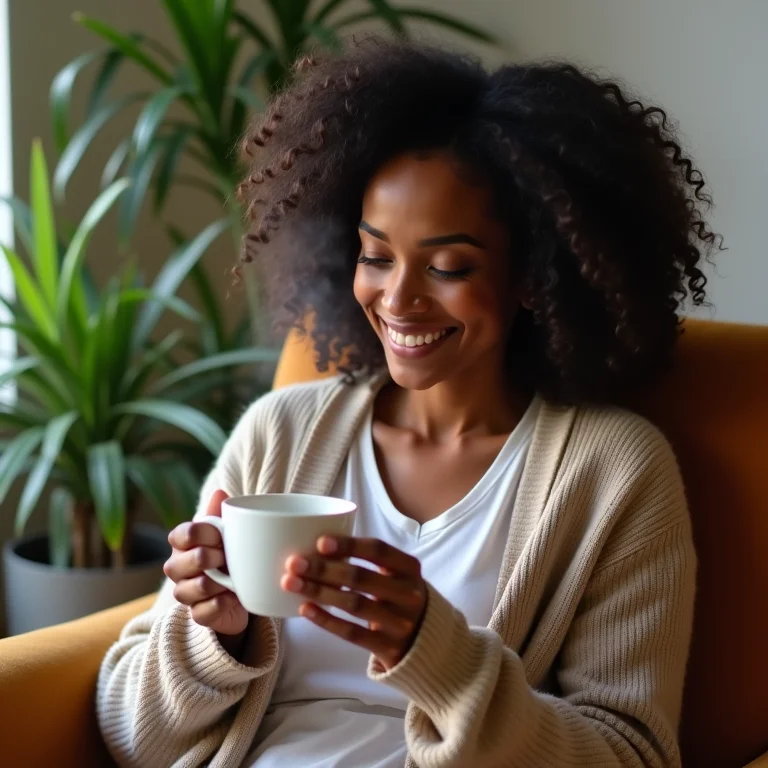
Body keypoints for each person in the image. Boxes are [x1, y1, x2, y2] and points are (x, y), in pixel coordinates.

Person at [97, 37, 720, 768]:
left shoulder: (612, 472)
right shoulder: (282, 435)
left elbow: (635, 757)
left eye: (449, 266)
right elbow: (133, 736)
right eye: (375, 255)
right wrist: (215, 637)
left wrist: (439, 656)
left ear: (535, 276)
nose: (398, 300)